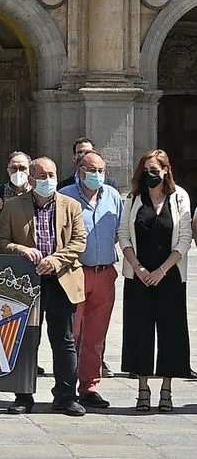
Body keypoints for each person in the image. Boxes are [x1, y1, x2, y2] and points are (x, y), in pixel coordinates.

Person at [0, 157, 87, 417]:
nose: (48, 179)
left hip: (61, 280)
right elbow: (2, 241)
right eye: (43, 175)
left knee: (64, 340)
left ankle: (66, 396)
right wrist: (22, 249)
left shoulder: (71, 206)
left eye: (52, 174)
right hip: (27, 283)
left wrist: (54, 260)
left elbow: (79, 242)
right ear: (31, 179)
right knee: (25, 340)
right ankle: (23, 395)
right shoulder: (13, 207)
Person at [118, 150, 192, 412]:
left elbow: (184, 238)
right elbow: (123, 233)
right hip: (138, 276)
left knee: (171, 332)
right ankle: (142, 389)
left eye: (155, 169)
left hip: (169, 275)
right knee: (139, 331)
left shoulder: (179, 196)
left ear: (166, 170)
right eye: (146, 169)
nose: (151, 174)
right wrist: (137, 267)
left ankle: (166, 389)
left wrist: (161, 270)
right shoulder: (133, 197)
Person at [60, 151, 122, 409]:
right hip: (76, 272)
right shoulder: (66, 197)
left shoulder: (113, 196)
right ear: (79, 170)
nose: (97, 175)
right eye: (92, 170)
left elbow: (119, 231)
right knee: (72, 334)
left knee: (96, 336)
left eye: (101, 170)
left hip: (104, 273)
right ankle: (66, 387)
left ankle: (89, 387)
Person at [0, 151, 32, 215]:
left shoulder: (36, 192)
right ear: (8, 170)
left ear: (30, 170)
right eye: (14, 168)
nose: (18, 172)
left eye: (22, 168)